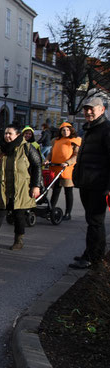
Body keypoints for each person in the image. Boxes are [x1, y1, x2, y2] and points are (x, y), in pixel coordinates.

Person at [0, 125, 42, 251]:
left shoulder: (27, 147)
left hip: (21, 187)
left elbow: (37, 165)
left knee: (19, 215)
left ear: (18, 135)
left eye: (10, 133)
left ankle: (19, 241)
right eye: (6, 133)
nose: (7, 136)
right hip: (3, 187)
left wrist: (36, 186)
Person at [68, 97, 110, 269]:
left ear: (102, 110)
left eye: (92, 109)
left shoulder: (106, 130)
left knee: (95, 221)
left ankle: (92, 257)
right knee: (93, 221)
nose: (88, 112)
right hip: (88, 182)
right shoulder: (90, 129)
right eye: (86, 109)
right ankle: (95, 254)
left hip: (98, 184)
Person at [46, 122, 81, 221]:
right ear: (60, 131)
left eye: (68, 130)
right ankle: (51, 211)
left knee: (68, 192)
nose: (65, 132)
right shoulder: (56, 141)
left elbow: (76, 155)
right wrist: (47, 159)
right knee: (55, 191)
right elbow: (52, 152)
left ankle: (68, 213)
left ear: (71, 131)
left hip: (67, 169)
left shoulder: (74, 141)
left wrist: (68, 162)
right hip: (55, 169)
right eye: (63, 130)